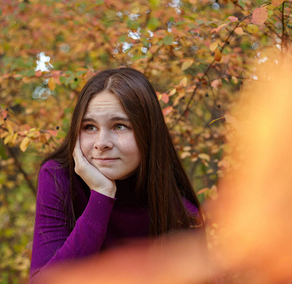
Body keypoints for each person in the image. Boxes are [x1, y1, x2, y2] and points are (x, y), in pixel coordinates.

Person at [30, 67, 204, 282]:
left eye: (119, 126)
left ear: (148, 132)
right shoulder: (59, 178)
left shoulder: (179, 214)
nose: (102, 143)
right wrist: (101, 196)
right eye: (89, 127)